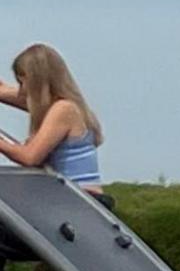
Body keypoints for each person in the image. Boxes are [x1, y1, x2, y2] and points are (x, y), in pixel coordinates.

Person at [1, 44, 108, 192]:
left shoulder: (63, 110)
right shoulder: (66, 107)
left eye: (22, 83)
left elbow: (30, 157)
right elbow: (7, 92)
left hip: (80, 199)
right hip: (70, 199)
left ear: (35, 82)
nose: (21, 91)